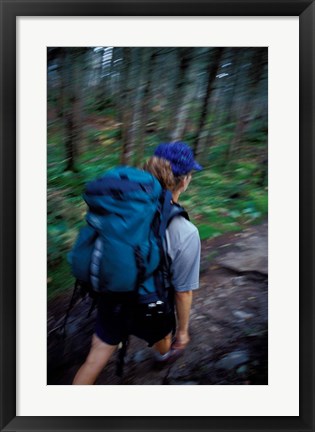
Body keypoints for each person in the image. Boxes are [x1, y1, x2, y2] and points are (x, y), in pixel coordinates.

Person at [72, 141, 202, 385]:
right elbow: (183, 292)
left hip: (113, 294)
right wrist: (183, 333)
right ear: (184, 180)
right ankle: (163, 356)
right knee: (163, 335)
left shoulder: (121, 211)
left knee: (94, 359)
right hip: (150, 304)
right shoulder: (186, 232)